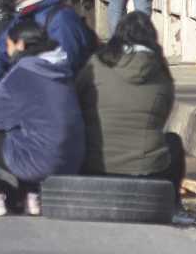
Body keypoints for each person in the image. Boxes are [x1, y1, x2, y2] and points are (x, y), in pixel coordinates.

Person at [0, 18, 85, 218]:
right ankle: (32, 196)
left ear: (20, 44)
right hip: (70, 161)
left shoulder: (24, 72)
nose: (8, 52)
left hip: (38, 161)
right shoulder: (60, 69)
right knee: (25, 128)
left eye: (9, 46)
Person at [77, 12, 184, 188]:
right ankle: (171, 202)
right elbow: (163, 116)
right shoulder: (161, 72)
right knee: (173, 142)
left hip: (94, 165)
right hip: (147, 170)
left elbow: (76, 98)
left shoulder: (96, 63)